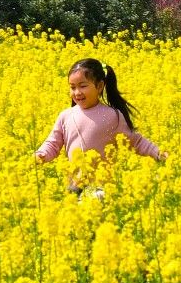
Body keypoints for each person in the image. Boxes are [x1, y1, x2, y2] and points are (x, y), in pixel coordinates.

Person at [35, 58, 166, 193]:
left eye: (83, 86)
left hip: (101, 186)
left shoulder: (111, 116)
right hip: (74, 185)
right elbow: (53, 143)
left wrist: (159, 154)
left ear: (99, 86)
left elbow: (136, 142)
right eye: (72, 87)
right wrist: (41, 155)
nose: (77, 92)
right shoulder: (65, 116)